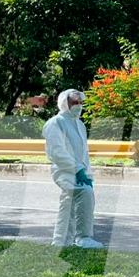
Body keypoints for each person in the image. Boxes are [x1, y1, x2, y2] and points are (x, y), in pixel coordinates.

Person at [43, 89, 104, 248]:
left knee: (70, 202)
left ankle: (61, 241)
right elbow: (57, 152)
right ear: (65, 103)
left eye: (80, 103)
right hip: (64, 170)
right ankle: (82, 237)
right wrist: (77, 169)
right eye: (74, 103)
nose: (78, 106)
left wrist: (86, 173)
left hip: (81, 172)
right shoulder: (55, 123)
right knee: (84, 193)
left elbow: (83, 152)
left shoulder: (79, 124)